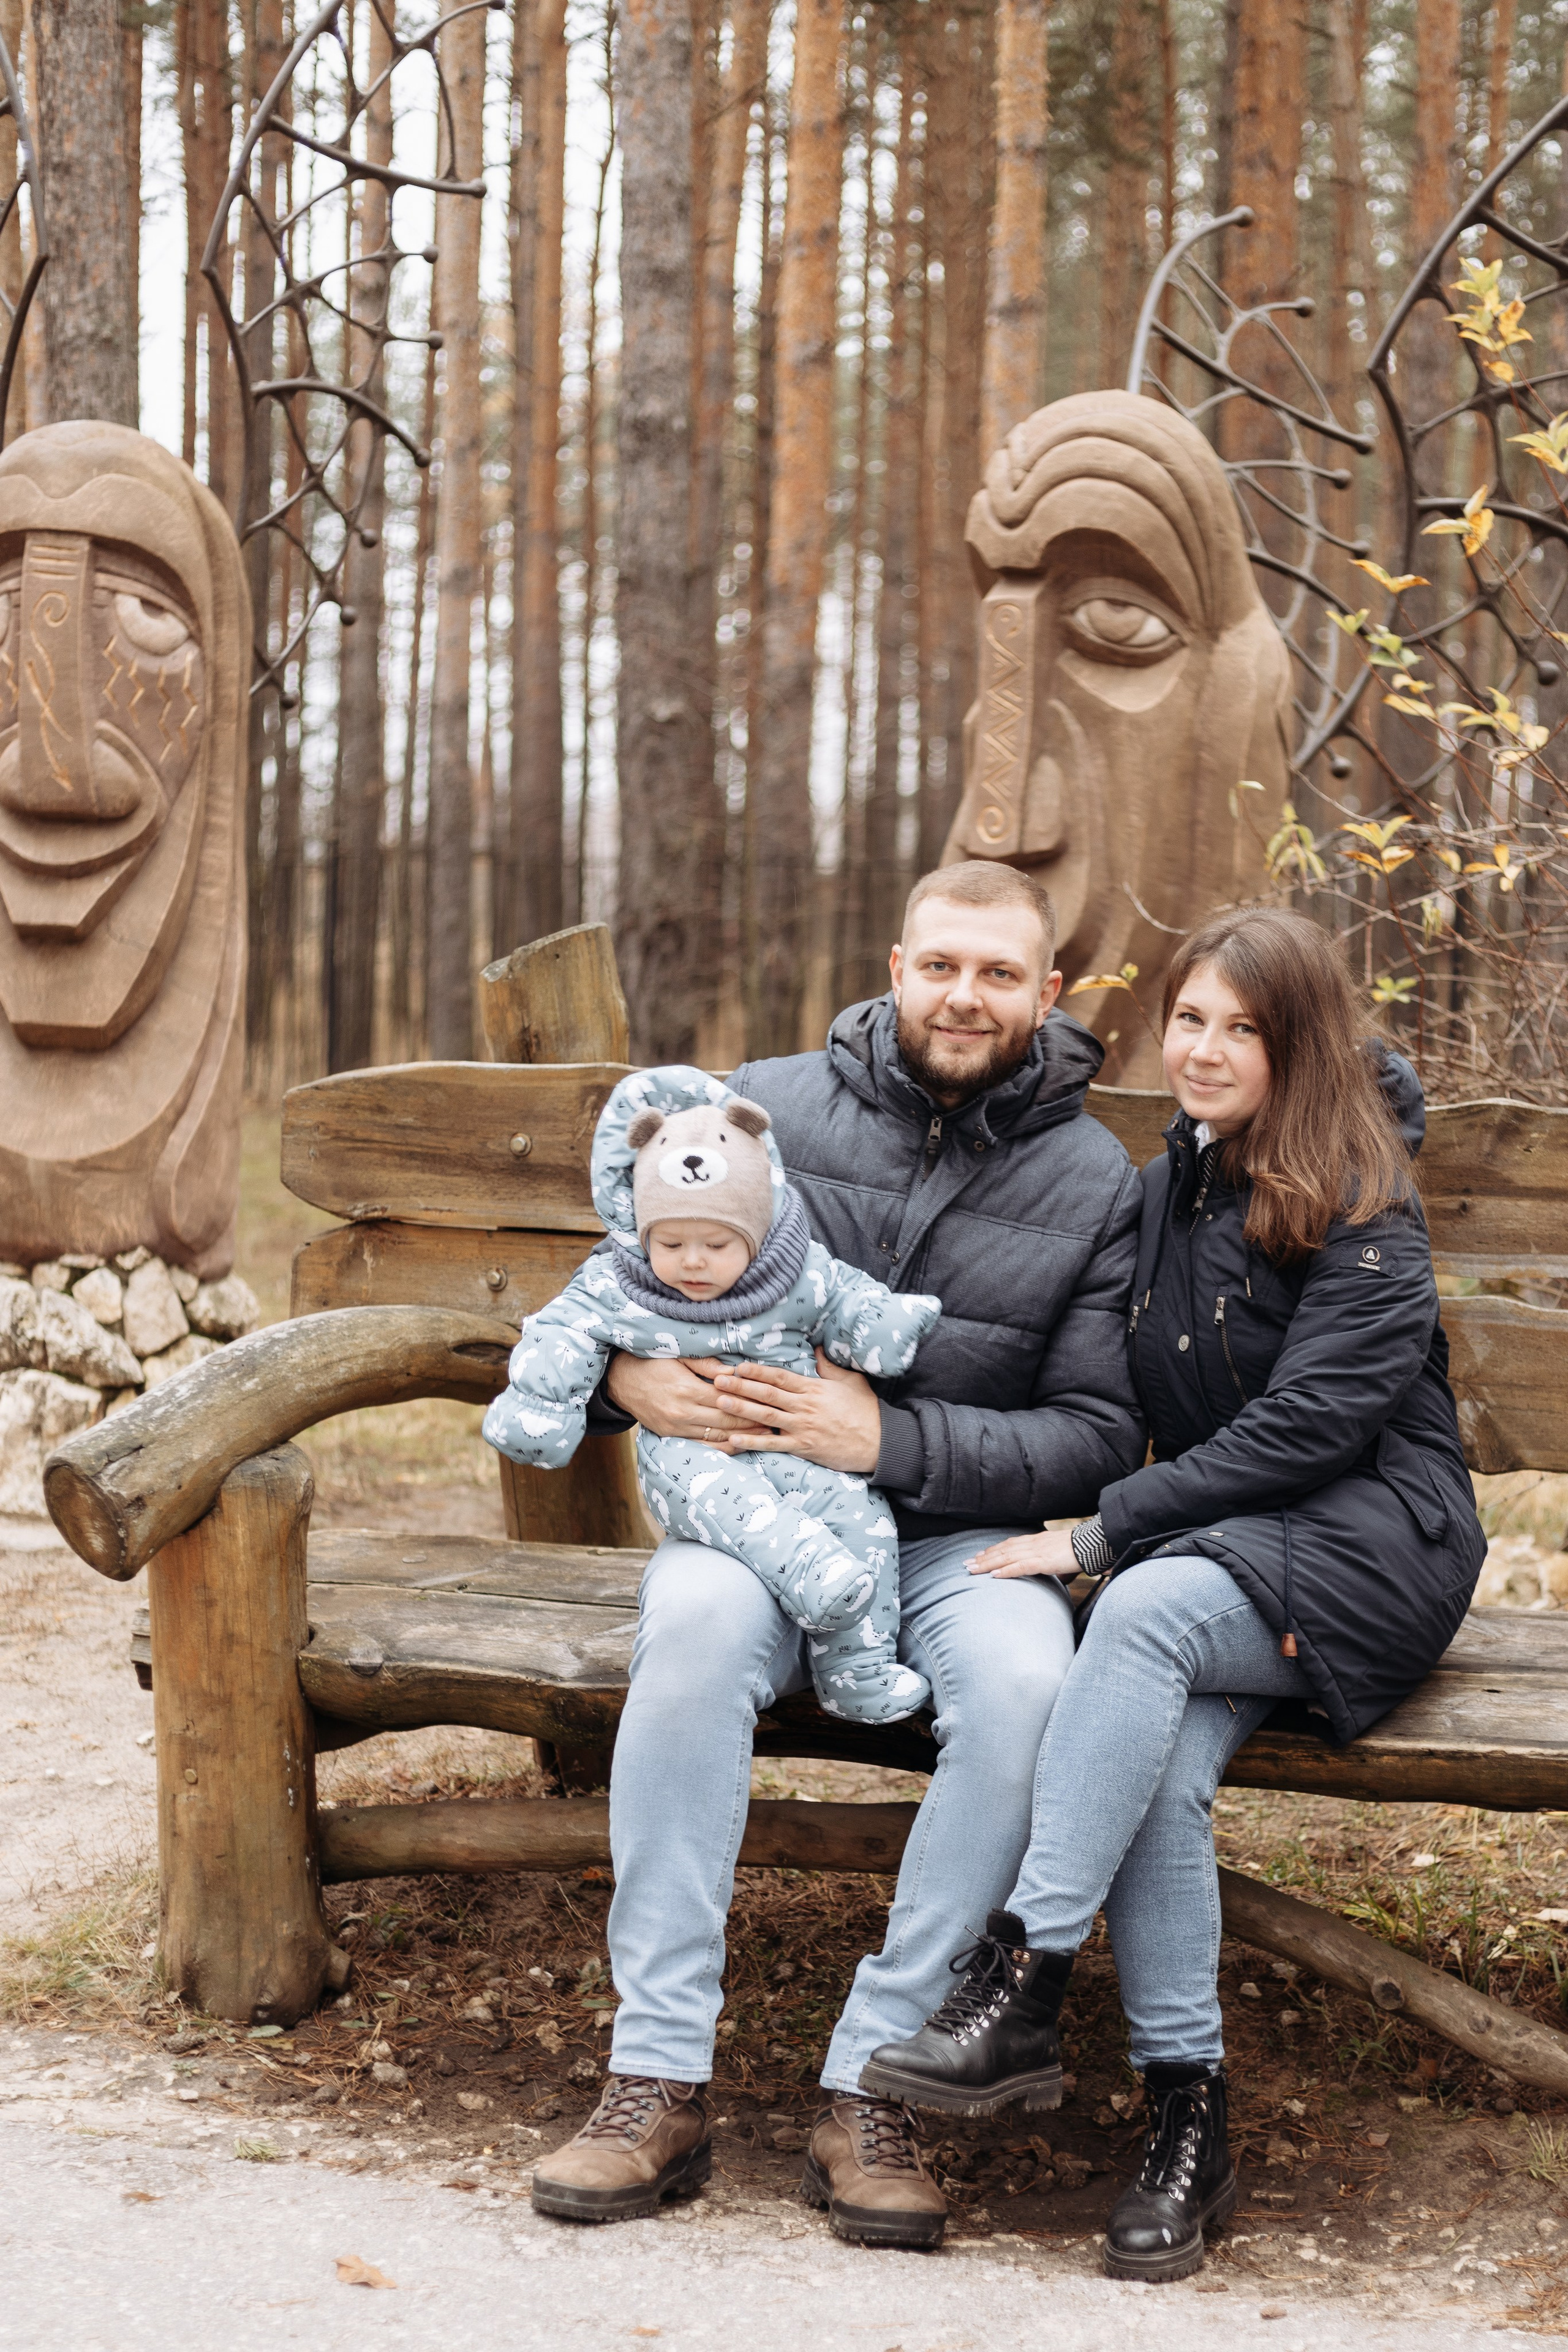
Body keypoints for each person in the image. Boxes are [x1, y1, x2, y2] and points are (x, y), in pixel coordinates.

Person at [859, 905, 1486, 2283]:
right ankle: (1185, 2122)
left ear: (1297, 1046)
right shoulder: (1164, 1189)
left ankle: (1023, 1981)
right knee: (1153, 1761)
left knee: (1129, 1621)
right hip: (1222, 1552)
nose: (1202, 1050)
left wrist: (1098, 1536)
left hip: (1376, 1542)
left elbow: (1317, 1424)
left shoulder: (1362, 1193)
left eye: (1240, 1030)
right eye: (1189, 1020)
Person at [529, 862, 1145, 2244]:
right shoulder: (765, 1106)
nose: (963, 995)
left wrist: (891, 1443)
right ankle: (655, 2074)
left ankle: (875, 2079)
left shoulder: (1095, 1178)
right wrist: (625, 1379)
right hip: (752, 1522)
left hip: (957, 1543)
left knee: (1031, 1690)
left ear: (1045, 995)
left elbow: (1099, 1435)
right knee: (687, 1632)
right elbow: (615, 1284)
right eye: (940, 965)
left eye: (997, 973)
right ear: (892, 964)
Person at [482, 1066, 941, 1725]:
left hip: (802, 1451)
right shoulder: (619, 1283)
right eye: (670, 1243)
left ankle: (856, 1669)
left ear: (754, 1230)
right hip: (690, 1457)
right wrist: (539, 1406)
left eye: (717, 1244)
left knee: (862, 1521)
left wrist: (884, 1326)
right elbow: (561, 1334)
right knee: (741, 1510)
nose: (692, 1262)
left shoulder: (795, 1270)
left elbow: (844, 1298)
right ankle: (809, 1571)